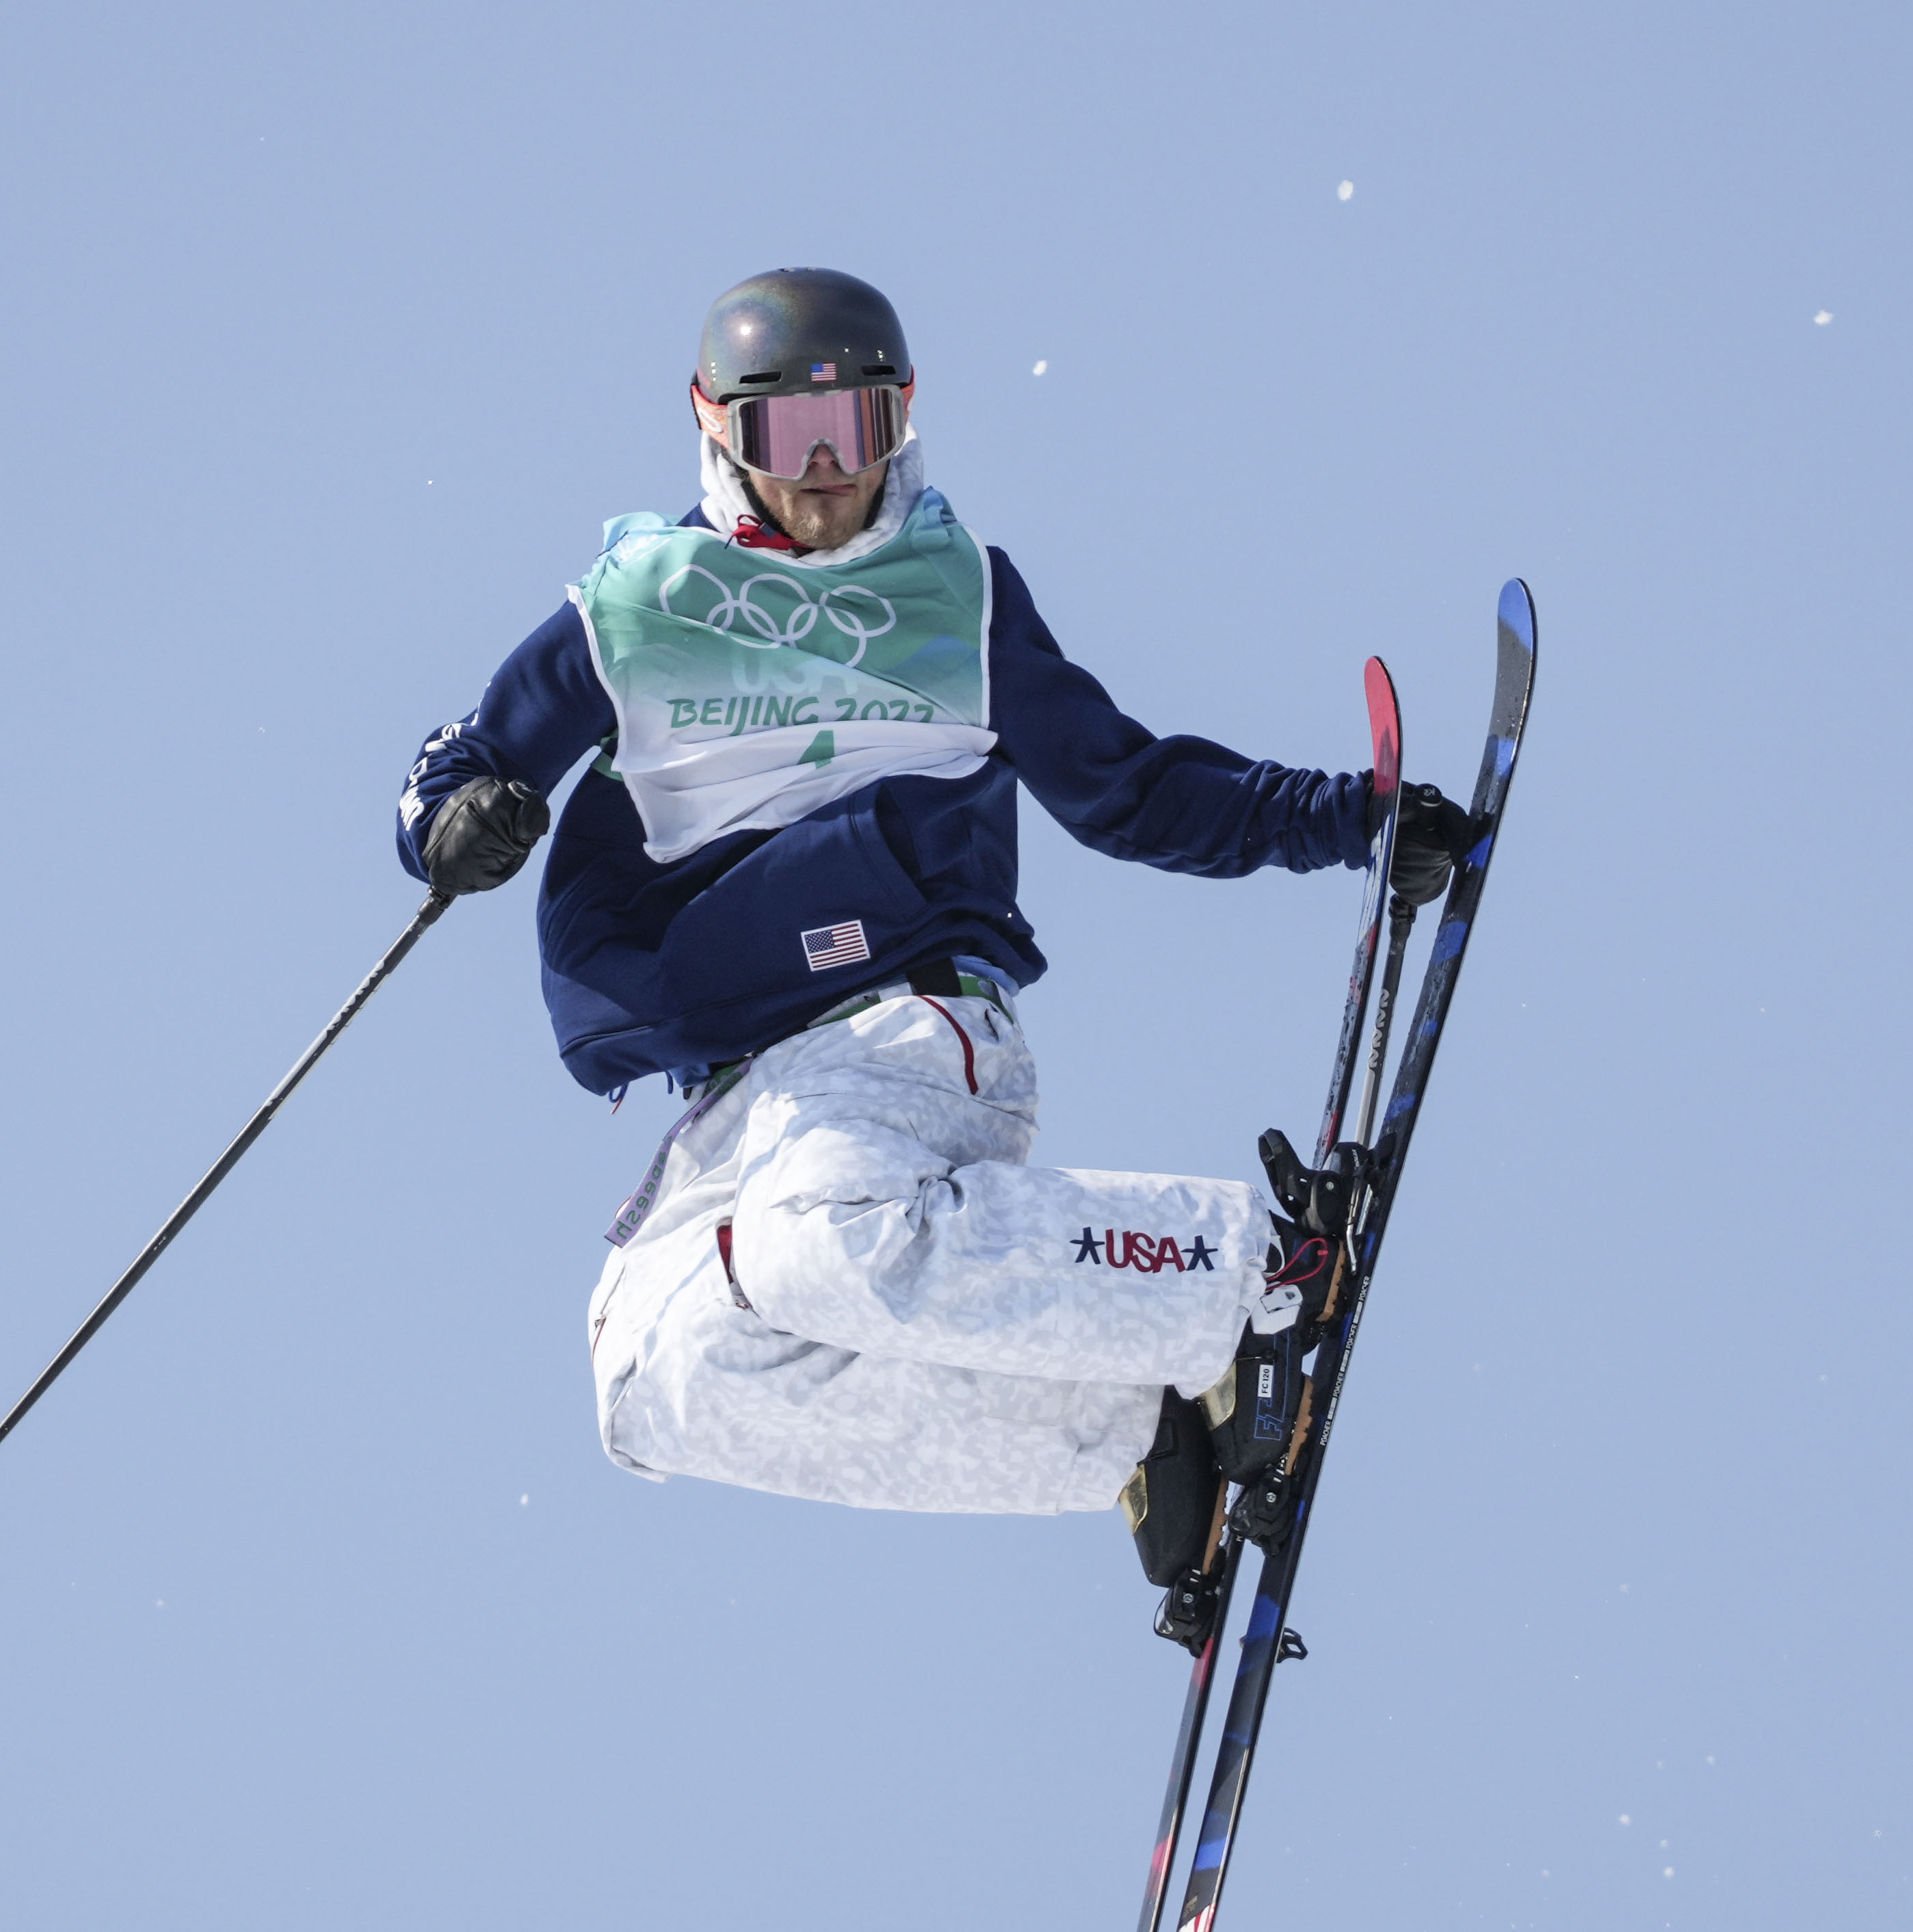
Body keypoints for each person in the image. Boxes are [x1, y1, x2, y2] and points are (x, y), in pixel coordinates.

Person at [394, 268, 1470, 1635]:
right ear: (715, 430)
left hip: (898, 1027)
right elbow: (466, 763)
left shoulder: (951, 596)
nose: (833, 474)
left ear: (905, 419)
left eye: (863, 426)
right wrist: (455, 823)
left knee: (820, 1248)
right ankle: (1136, 1440)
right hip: (740, 1088)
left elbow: (1127, 790)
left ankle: (1250, 1264)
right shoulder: (638, 608)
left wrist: (1352, 822)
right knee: (657, 1374)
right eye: (794, 440)